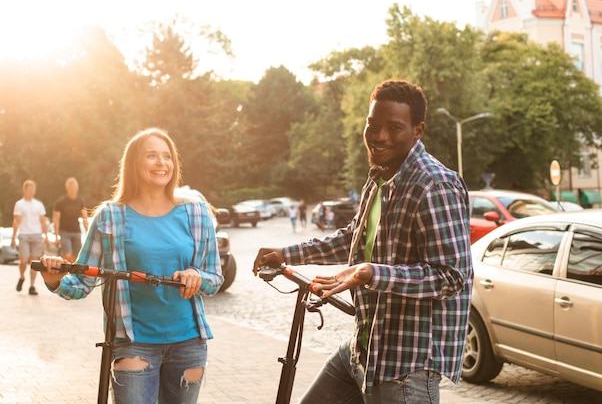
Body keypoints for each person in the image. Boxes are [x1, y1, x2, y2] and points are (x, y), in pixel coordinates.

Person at [253, 80, 473, 404]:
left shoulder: (435, 185)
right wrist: (287, 253)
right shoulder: (381, 177)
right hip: (364, 349)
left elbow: (452, 277)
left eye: (394, 127)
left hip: (405, 368)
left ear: (418, 130)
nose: (379, 136)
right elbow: (352, 238)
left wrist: (371, 273)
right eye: (373, 124)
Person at [39, 128, 224, 404]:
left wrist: (197, 275)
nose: (162, 163)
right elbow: (81, 283)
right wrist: (53, 279)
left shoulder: (196, 213)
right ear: (134, 164)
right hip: (133, 342)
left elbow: (215, 278)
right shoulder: (110, 217)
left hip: (189, 342)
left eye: (167, 156)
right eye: (152, 156)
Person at [11, 179, 49, 295]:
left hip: (36, 235)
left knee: (34, 262)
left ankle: (32, 286)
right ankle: (22, 277)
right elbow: (16, 222)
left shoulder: (38, 205)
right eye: (30, 189)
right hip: (24, 235)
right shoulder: (19, 204)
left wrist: (46, 236)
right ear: (25, 190)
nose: (32, 191)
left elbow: (43, 222)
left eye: (34, 189)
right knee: (23, 261)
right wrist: (13, 237)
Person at [53, 177, 89, 263]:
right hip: (64, 232)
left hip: (76, 231)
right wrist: (57, 236)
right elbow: (56, 219)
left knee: (77, 257)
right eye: (71, 188)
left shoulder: (80, 200)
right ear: (68, 189)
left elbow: (85, 217)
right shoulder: (60, 202)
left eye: (75, 188)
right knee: (68, 255)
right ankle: (66, 269)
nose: (73, 190)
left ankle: (72, 274)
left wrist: (88, 232)